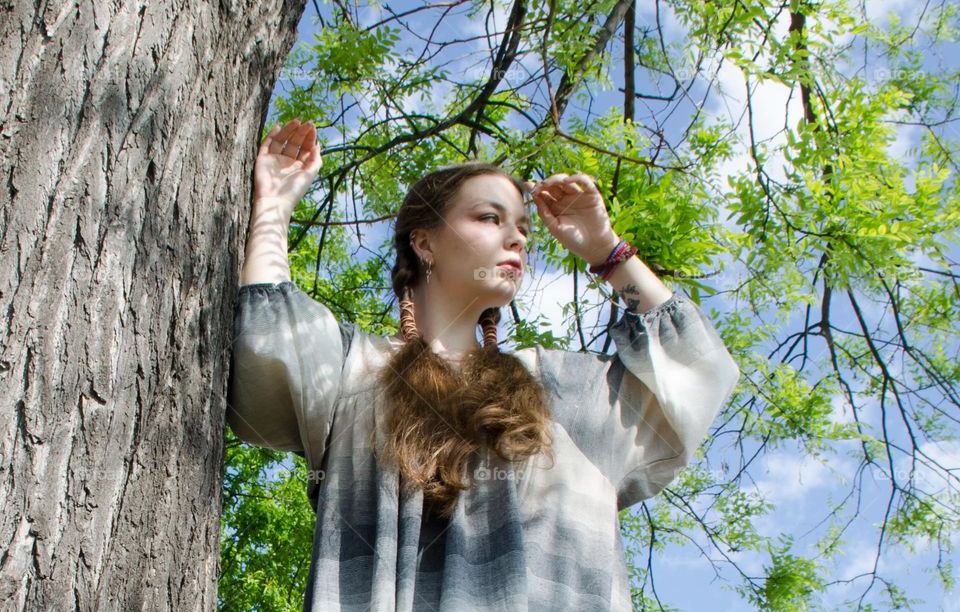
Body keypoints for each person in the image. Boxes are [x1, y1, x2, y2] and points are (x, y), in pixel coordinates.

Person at [227, 117, 740, 611]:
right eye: (489, 218)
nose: (517, 237)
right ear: (424, 242)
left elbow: (693, 371)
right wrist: (273, 203)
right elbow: (267, 336)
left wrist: (606, 249)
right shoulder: (353, 369)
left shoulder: (562, 389)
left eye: (521, 226)